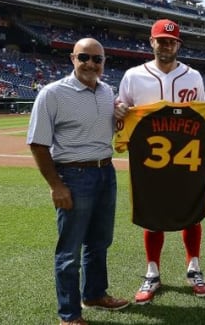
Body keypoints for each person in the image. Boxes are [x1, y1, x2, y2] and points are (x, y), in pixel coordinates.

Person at [27, 38, 129, 325]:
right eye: (84, 57)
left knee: (99, 242)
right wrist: (56, 185)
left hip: (105, 172)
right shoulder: (52, 93)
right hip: (74, 175)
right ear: (73, 58)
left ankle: (95, 294)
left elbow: (116, 120)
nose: (91, 64)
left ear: (104, 63)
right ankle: (69, 314)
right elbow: (37, 144)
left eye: (97, 59)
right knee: (70, 250)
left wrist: (120, 112)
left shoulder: (108, 91)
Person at [115, 19, 205, 304]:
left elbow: (203, 116)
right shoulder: (133, 75)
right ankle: (152, 272)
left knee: (191, 213)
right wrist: (119, 110)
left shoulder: (193, 76)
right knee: (152, 215)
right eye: (161, 40)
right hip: (149, 160)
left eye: (171, 41)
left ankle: (194, 268)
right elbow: (121, 110)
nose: (166, 45)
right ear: (151, 42)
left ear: (178, 45)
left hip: (186, 157)